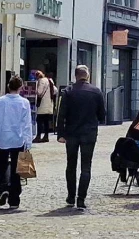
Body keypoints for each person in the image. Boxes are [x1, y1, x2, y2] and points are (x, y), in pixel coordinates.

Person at [56, 65, 106, 209]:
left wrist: (60, 134)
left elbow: (61, 114)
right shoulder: (96, 91)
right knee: (86, 166)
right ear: (87, 75)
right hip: (89, 133)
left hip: (71, 133)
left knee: (70, 165)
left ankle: (71, 196)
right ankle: (81, 199)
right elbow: (102, 115)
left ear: (75, 76)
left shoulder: (68, 91)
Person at [0, 77, 33, 209]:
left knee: (2, 165)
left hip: (1, 138)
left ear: (8, 86)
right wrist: (28, 142)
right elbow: (27, 124)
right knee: (15, 169)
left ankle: (4, 188)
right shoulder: (24, 103)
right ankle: (14, 199)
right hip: (17, 139)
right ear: (21, 87)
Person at [33, 70, 56, 143]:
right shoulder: (50, 80)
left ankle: (38, 136)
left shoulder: (41, 81)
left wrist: (35, 90)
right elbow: (55, 90)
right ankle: (46, 136)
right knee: (46, 121)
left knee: (39, 120)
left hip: (42, 105)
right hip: (49, 104)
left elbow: (39, 92)